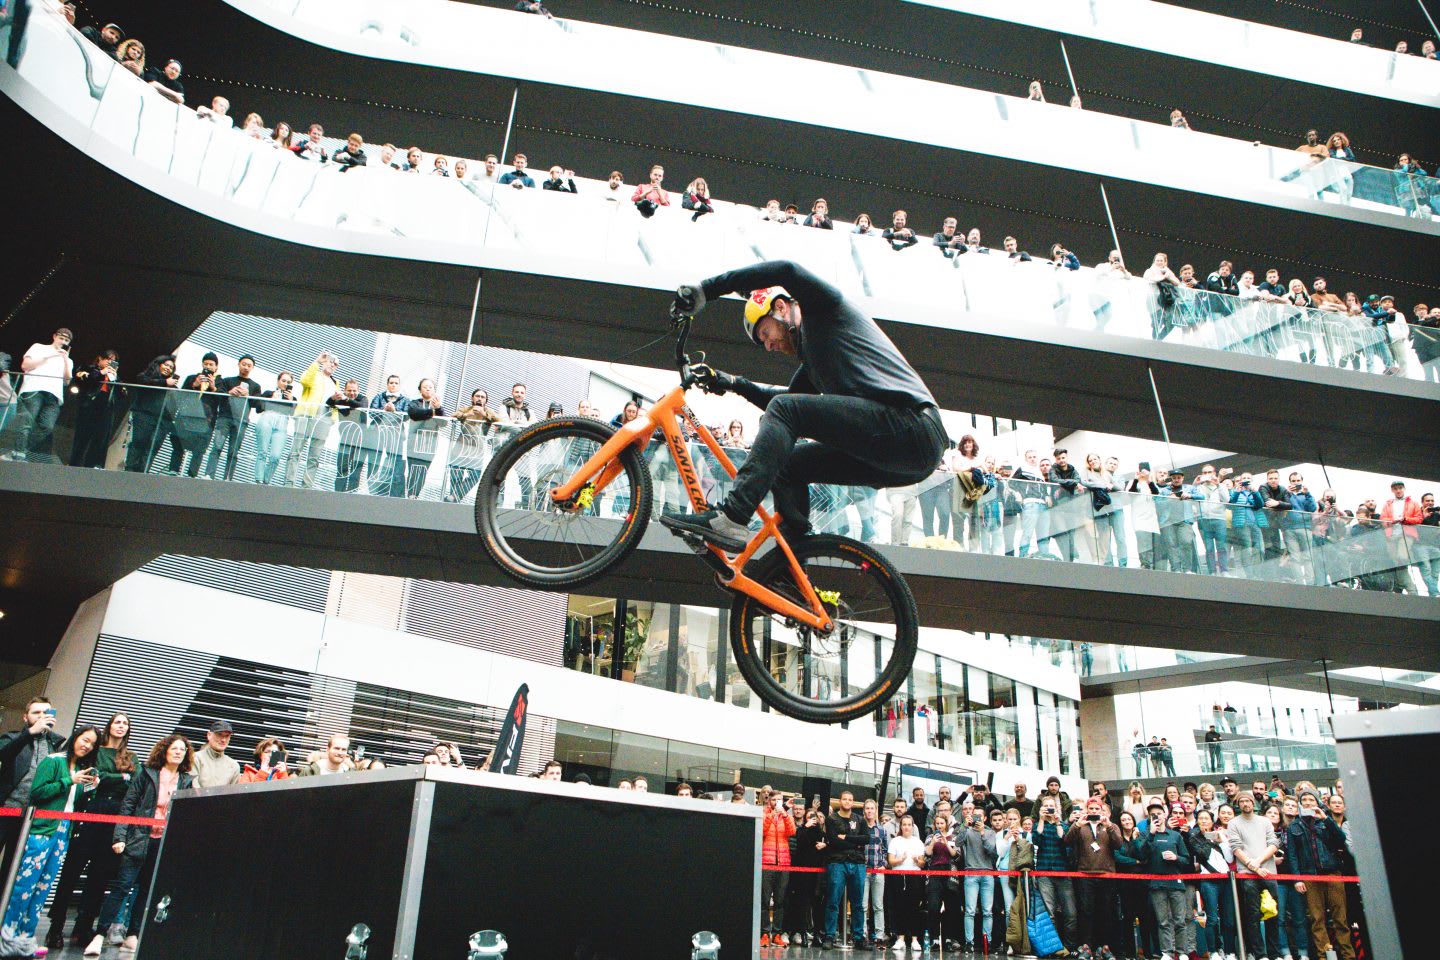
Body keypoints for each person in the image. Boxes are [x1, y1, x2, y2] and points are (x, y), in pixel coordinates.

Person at [663, 261, 946, 550]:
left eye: (765, 333)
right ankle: (792, 569)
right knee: (788, 465)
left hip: (914, 425)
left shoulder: (824, 310)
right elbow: (783, 404)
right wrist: (733, 383)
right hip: (900, 458)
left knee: (786, 411)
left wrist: (707, 289)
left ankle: (733, 515)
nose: (769, 346)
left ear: (782, 307)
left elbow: (787, 270)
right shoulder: (814, 361)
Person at [89, 734, 195, 956]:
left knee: (147, 890)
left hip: (162, 842)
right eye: (174, 748)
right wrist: (120, 836)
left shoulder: (186, 780)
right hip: (138, 838)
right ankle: (99, 934)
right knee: (122, 887)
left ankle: (133, 935)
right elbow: (128, 804)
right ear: (164, 750)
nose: (178, 752)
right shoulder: (147, 773)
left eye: (182, 750)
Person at [0, 725, 99, 958]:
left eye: (92, 743)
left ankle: (25, 937)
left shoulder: (82, 769)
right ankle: (6, 936)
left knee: (43, 888)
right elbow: (37, 793)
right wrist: (69, 780)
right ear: (75, 737)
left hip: (63, 832)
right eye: (84, 739)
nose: (87, 745)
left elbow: (74, 803)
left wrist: (89, 789)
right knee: (25, 885)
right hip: (41, 830)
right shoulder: (54, 760)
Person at [46, 713, 133, 949]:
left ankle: (84, 926)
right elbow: (95, 777)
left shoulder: (130, 756)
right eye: (117, 721)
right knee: (72, 871)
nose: (121, 726)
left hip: (114, 819)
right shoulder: (95, 751)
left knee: (99, 875)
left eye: (125, 723)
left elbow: (130, 782)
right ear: (109, 725)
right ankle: (56, 925)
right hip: (89, 813)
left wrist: (116, 778)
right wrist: (121, 777)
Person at [0, 698, 68, 897]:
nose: (41, 717)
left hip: (32, 817)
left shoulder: (57, 745)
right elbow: (3, 754)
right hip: (6, 809)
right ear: (25, 717)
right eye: (36, 713)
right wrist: (29, 733)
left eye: (45, 712)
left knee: (13, 866)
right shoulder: (12, 738)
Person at [1288, 789, 1354, 960]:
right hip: (1310, 876)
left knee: (1340, 918)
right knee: (1317, 919)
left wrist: (1325, 819)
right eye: (1305, 800)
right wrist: (1297, 879)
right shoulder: (1294, 825)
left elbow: (1340, 839)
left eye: (1311, 799)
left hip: (1332, 872)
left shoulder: (1326, 821)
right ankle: (1324, 955)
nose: (1308, 802)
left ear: (1317, 803)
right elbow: (1292, 855)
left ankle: (1348, 956)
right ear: (1300, 804)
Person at [11, 327, 73, 462]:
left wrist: (65, 360)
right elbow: (25, 365)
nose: (63, 341)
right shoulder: (39, 347)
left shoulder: (68, 360)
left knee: (47, 427)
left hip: (54, 395)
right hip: (34, 388)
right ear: (54, 336)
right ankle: (18, 453)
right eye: (61, 338)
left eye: (66, 340)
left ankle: (20, 449)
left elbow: (67, 381)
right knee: (26, 422)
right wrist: (50, 355)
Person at [821, 790, 868, 948]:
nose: (847, 802)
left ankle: (858, 937)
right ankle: (829, 936)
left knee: (857, 903)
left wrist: (847, 838)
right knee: (833, 901)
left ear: (853, 802)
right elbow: (834, 842)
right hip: (837, 863)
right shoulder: (831, 819)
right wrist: (856, 842)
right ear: (840, 801)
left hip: (858, 863)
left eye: (850, 799)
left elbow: (866, 839)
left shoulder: (860, 820)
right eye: (845, 799)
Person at [287, 351, 341, 489]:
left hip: (324, 419)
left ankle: (306, 486)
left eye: (335, 364)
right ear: (325, 362)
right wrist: (317, 361)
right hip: (306, 415)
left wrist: (333, 419)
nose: (332, 365)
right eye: (330, 361)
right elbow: (304, 380)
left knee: (314, 456)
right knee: (296, 451)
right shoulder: (315, 374)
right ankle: (289, 483)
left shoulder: (335, 383)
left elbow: (336, 403)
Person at [203, 354, 262, 481]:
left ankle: (228, 477)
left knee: (234, 451)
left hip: (241, 420)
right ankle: (209, 474)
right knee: (217, 446)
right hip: (224, 417)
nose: (246, 367)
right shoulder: (227, 380)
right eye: (244, 364)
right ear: (238, 364)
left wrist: (248, 395)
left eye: (249, 365)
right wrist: (230, 392)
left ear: (252, 368)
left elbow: (258, 406)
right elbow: (218, 394)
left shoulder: (255, 386)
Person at [1032, 796, 1077, 952]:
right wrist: (1042, 819)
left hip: (1062, 871)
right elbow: (1036, 839)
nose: (1049, 809)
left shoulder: (1063, 824)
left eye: (1052, 806)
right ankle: (1053, 947)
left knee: (1070, 913)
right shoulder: (1038, 825)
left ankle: (1069, 946)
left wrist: (1058, 821)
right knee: (1049, 913)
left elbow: (1063, 839)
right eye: (1046, 806)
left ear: (1057, 808)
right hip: (1044, 872)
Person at [68, 349, 120, 468]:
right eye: (108, 359)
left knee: (101, 438)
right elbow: (82, 379)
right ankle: (74, 464)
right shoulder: (89, 368)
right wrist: (102, 373)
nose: (110, 362)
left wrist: (114, 379)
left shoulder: (115, 376)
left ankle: (92, 466)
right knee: (82, 436)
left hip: (106, 408)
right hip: (90, 405)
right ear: (100, 359)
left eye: (114, 361)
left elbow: (122, 394)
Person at [959, 805, 999, 953]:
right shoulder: (967, 831)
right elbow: (957, 842)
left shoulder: (990, 832)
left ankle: (986, 941)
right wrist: (964, 825)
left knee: (987, 911)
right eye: (974, 815)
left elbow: (991, 851)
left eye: (979, 816)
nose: (976, 818)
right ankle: (969, 942)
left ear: (985, 818)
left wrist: (982, 832)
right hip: (971, 873)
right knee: (969, 910)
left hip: (987, 873)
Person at [760, 789, 794, 946]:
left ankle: (777, 934)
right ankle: (765, 933)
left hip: (783, 863)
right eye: (774, 800)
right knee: (765, 900)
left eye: (779, 800)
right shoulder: (763, 813)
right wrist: (772, 815)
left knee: (780, 901)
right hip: (766, 863)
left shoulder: (786, 816)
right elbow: (761, 831)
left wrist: (785, 814)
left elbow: (792, 831)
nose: (776, 803)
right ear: (769, 801)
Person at [404, 379, 445, 498]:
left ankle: (415, 494)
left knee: (423, 470)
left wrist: (438, 409)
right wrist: (432, 412)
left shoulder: (438, 405)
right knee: (413, 468)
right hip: (414, 440)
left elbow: (442, 422)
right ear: (420, 390)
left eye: (430, 387)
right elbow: (414, 413)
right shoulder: (415, 403)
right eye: (425, 387)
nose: (428, 389)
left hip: (430, 442)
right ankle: (410, 493)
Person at [860, 798, 887, 947]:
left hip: (878, 870)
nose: (869, 811)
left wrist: (884, 864)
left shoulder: (881, 829)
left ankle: (879, 934)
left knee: (878, 905)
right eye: (867, 808)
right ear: (864, 810)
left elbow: (885, 850)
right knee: (863, 905)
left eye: (872, 808)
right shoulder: (860, 827)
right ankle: (863, 933)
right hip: (863, 871)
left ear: (876, 811)